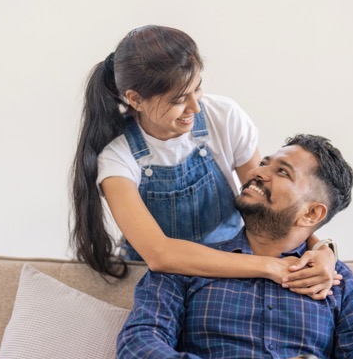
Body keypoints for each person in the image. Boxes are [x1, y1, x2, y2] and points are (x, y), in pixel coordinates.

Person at [116, 134, 353, 359]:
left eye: (282, 172)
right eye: (265, 163)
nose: (257, 172)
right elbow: (139, 351)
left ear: (312, 213)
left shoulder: (338, 282)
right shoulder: (185, 264)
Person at [70, 25, 338, 299]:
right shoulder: (117, 157)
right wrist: (270, 266)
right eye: (178, 99)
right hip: (159, 279)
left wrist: (322, 250)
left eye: (197, 89)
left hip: (237, 261)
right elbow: (159, 254)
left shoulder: (224, 117)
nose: (195, 108)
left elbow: (267, 206)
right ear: (135, 99)